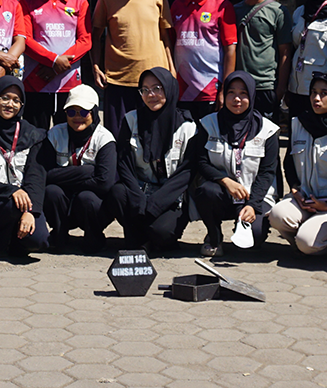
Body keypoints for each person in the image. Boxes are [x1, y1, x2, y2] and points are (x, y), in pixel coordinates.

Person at [186, 71, 280, 257]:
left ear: (252, 96)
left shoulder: (268, 130)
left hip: (253, 196)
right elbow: (202, 162)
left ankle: (254, 222)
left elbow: (268, 172)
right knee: (206, 191)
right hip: (223, 193)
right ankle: (214, 235)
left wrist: (253, 204)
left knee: (254, 238)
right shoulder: (208, 124)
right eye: (231, 93)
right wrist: (225, 181)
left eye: (243, 93)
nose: (237, 99)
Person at [104, 67, 198, 253]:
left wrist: (158, 201)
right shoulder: (131, 120)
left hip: (171, 196)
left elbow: (187, 171)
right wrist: (137, 196)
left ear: (169, 89)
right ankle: (137, 237)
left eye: (157, 88)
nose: (151, 95)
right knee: (117, 193)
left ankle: (148, 237)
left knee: (161, 233)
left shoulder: (187, 127)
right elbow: (124, 163)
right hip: (141, 189)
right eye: (145, 90)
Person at [268, 71, 327, 256]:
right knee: (277, 215)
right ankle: (309, 240)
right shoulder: (299, 123)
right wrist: (294, 187)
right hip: (305, 199)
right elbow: (290, 163)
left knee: (307, 242)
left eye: (324, 93)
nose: (316, 98)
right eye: (313, 92)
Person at [92, 0, 175, 138]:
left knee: (153, 134)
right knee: (119, 137)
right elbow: (95, 36)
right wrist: (96, 66)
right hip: (118, 79)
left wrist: (172, 69)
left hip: (154, 79)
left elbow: (165, 35)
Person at [0, 76, 50, 257]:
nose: (10, 104)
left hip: (24, 202)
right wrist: (12, 191)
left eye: (16, 100)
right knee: (12, 206)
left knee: (39, 240)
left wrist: (31, 211)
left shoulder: (33, 135)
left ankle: (11, 240)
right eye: (4, 98)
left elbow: (36, 177)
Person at [39, 84, 117, 252]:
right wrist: (86, 172)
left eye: (83, 112)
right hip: (63, 202)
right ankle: (60, 234)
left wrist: (65, 179)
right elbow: (44, 174)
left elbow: (105, 183)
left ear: (94, 113)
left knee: (86, 198)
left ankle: (94, 235)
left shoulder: (105, 139)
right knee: (52, 192)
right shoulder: (54, 134)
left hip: (91, 205)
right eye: (71, 112)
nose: (77, 117)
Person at [19, 0, 91, 128]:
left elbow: (85, 40)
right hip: (36, 81)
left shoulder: (80, 2)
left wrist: (57, 67)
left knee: (68, 135)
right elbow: (25, 40)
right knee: (35, 137)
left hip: (69, 83)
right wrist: (54, 61)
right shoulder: (26, 2)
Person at [169, 0, 237, 118]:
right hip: (181, 89)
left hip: (210, 90)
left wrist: (225, 90)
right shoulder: (176, 6)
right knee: (183, 140)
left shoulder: (222, 5)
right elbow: (169, 45)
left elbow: (230, 51)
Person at [233, 0, 291, 116]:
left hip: (265, 86)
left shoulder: (278, 11)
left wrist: (280, 90)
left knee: (266, 137)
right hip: (238, 85)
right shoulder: (232, 10)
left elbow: (285, 51)